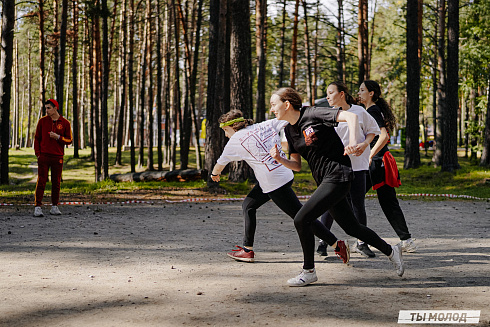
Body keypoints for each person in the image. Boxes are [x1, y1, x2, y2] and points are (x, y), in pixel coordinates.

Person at [269, 87, 405, 287]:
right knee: (352, 227)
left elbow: (350, 117)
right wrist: (280, 159)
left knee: (301, 218)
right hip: (325, 180)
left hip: (339, 174)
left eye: (274, 104)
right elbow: (297, 165)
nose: (272, 109)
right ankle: (391, 251)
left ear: (287, 104)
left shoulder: (313, 113)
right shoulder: (289, 130)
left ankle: (308, 271)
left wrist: (351, 143)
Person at [210, 110, 350, 264]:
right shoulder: (264, 125)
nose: (225, 134)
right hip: (282, 175)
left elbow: (220, 163)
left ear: (232, 127)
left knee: (302, 217)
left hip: (274, 184)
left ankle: (337, 244)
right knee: (248, 206)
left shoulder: (235, 140)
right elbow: (288, 119)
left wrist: (214, 174)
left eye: (225, 130)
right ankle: (247, 249)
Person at [318, 81, 381, 258]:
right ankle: (324, 241)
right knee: (329, 204)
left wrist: (364, 144)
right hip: (335, 168)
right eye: (327, 93)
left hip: (358, 166)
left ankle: (362, 243)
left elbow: (373, 131)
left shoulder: (359, 112)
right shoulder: (326, 115)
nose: (328, 97)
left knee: (358, 205)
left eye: (331, 93)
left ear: (342, 94)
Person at [358, 80, 417, 253]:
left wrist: (369, 155)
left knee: (354, 198)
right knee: (388, 202)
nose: (359, 93)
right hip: (381, 162)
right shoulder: (371, 110)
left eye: (362, 90)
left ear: (371, 93)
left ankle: (361, 241)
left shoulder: (373, 111)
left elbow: (384, 136)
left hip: (377, 163)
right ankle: (407, 241)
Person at [33, 99, 73, 217]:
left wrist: (58, 137)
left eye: (48, 108)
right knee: (41, 181)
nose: (46, 110)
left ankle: (54, 206)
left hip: (57, 157)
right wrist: (38, 154)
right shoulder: (42, 121)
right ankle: (38, 207)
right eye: (45, 108)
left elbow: (69, 140)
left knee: (56, 182)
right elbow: (37, 138)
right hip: (44, 156)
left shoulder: (65, 123)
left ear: (55, 108)